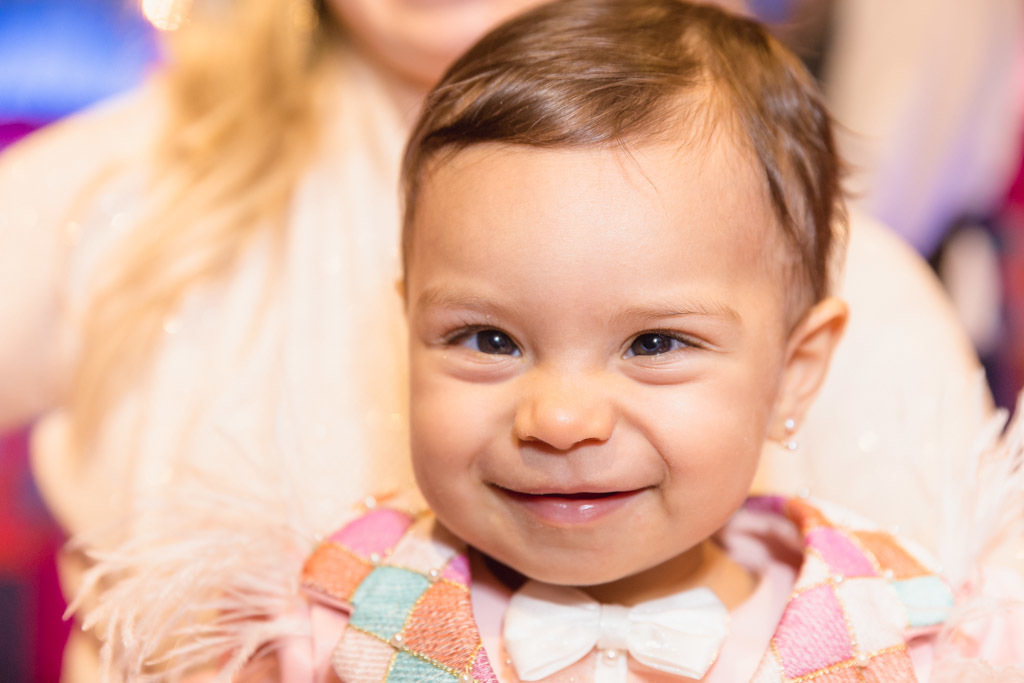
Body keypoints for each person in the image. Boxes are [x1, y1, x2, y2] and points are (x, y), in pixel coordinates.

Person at [0, 0, 996, 678]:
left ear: (797, 365)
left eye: (654, 342)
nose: (559, 416)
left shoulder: (835, 271)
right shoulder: (123, 186)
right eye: (481, 337)